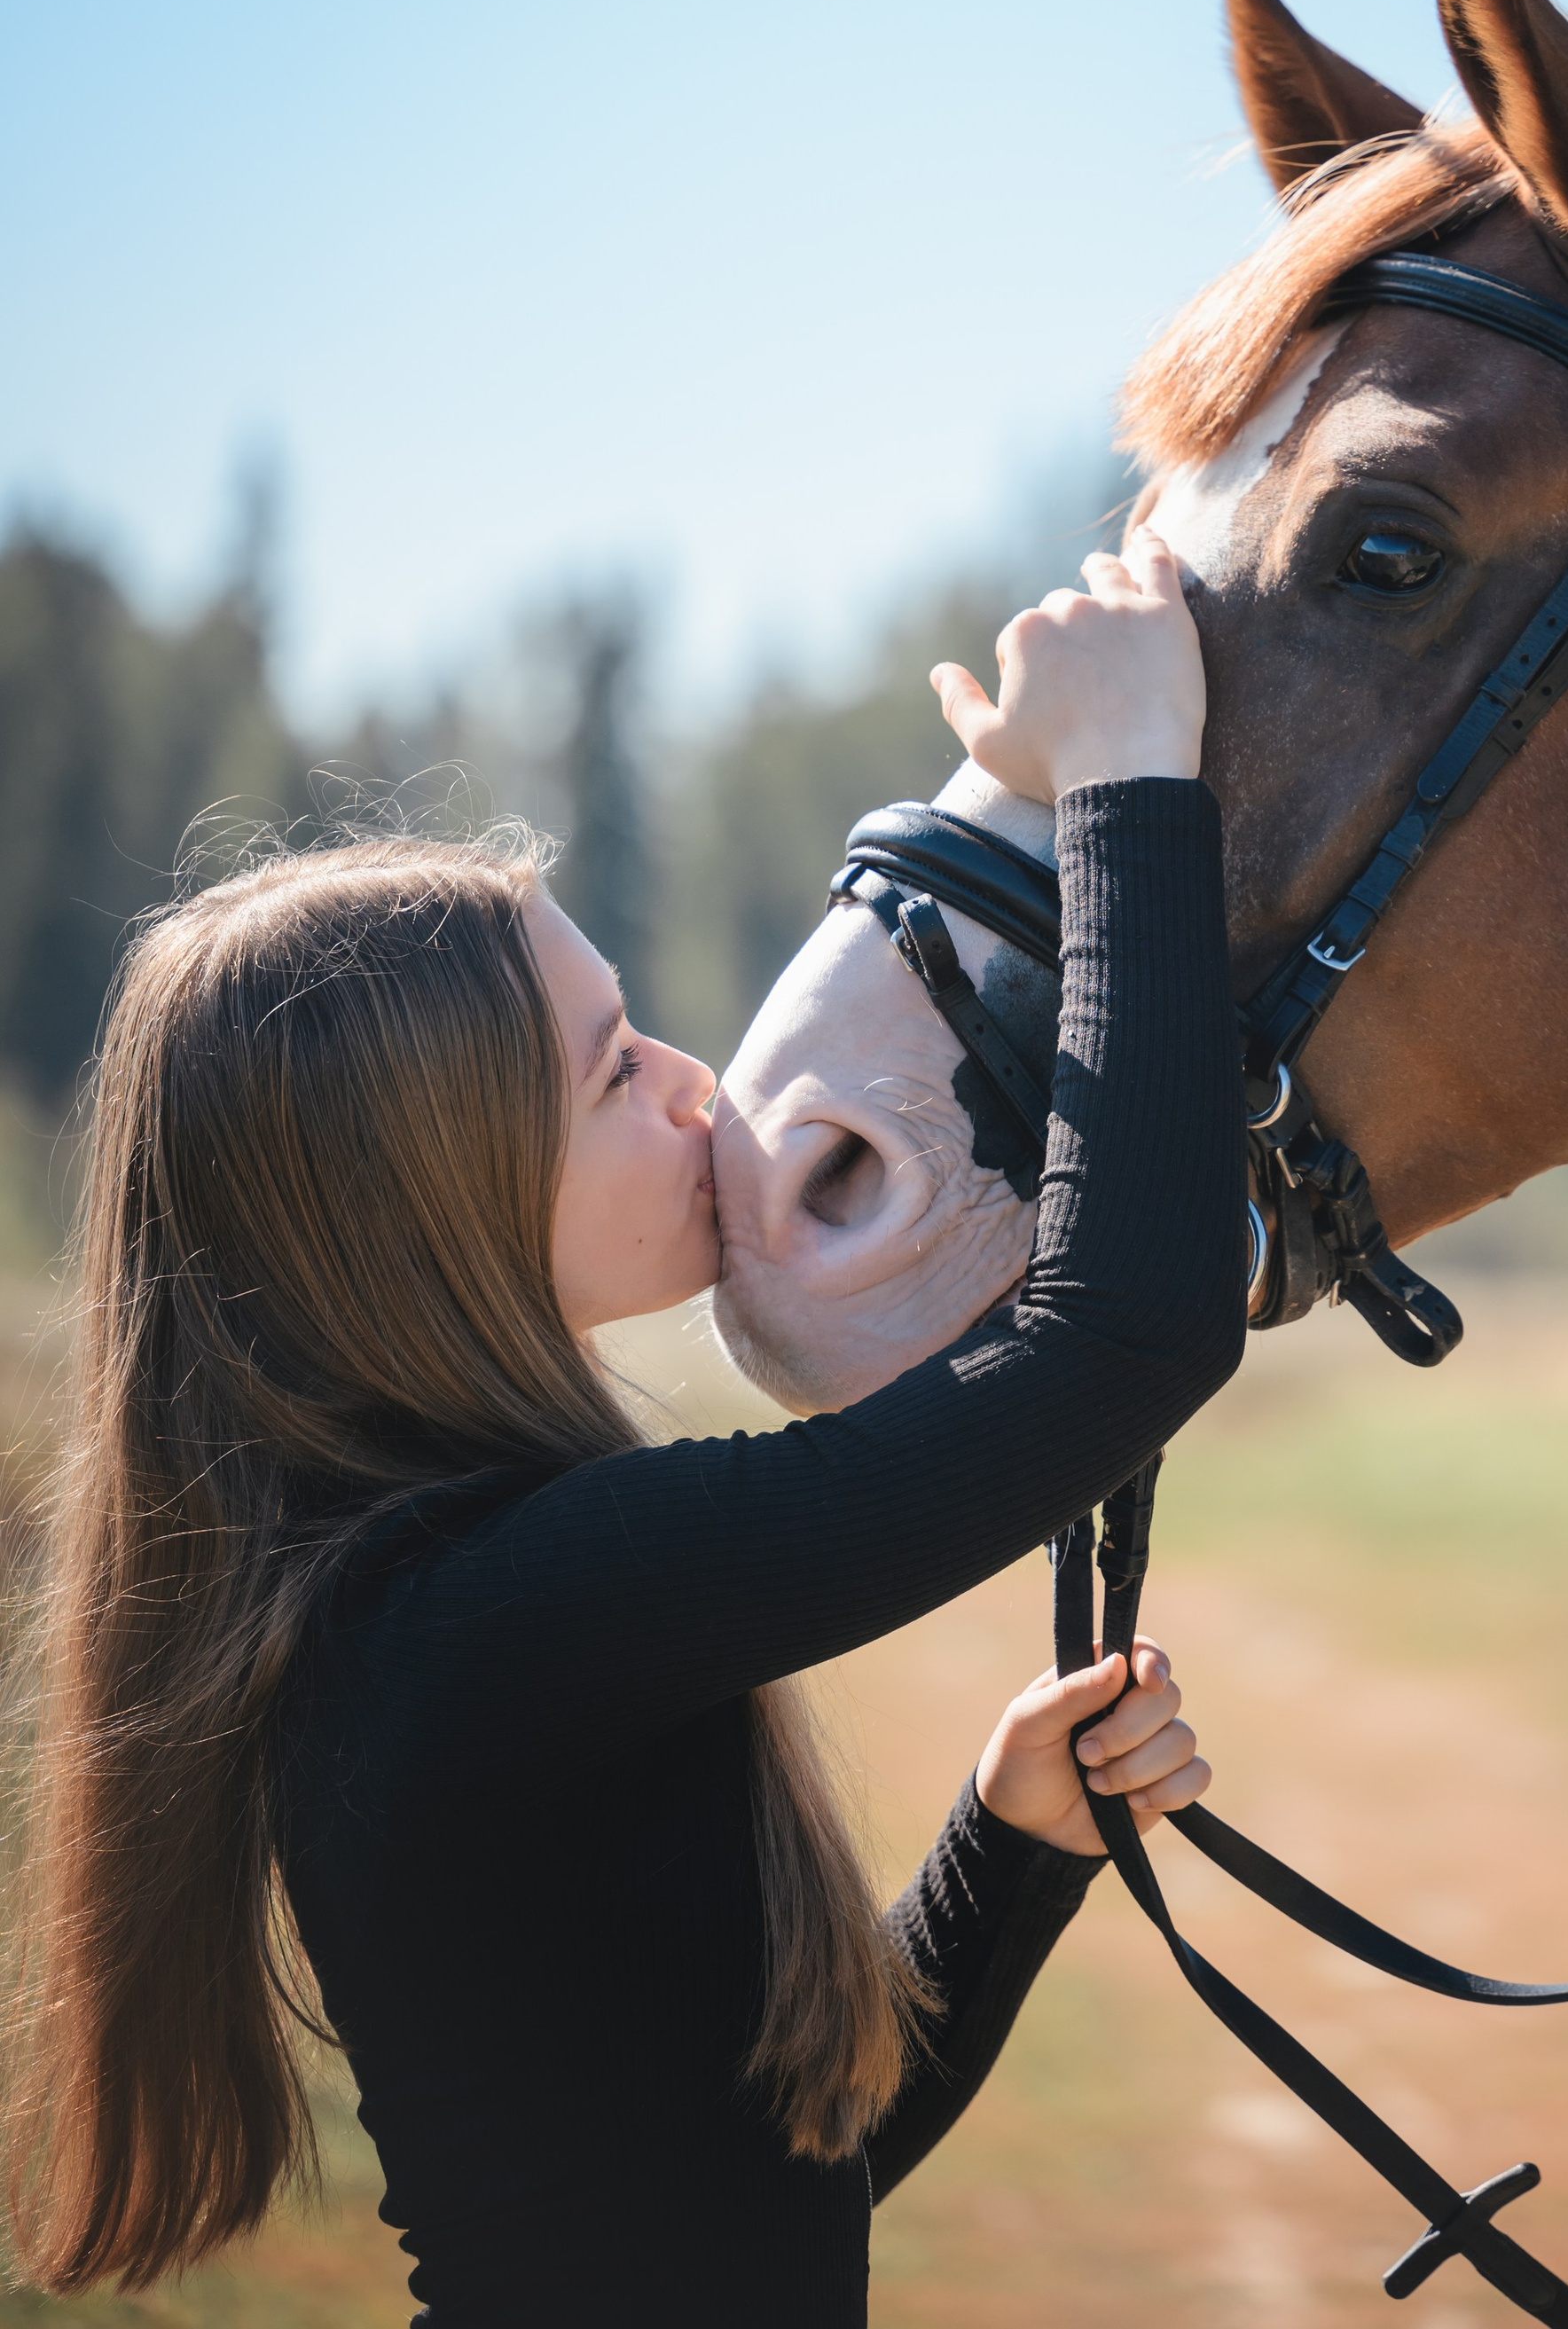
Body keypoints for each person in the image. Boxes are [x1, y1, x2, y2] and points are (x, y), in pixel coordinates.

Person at [5, 526, 1245, 2325]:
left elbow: (751, 2179)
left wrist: (1003, 1832)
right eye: (609, 1068)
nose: (693, 1086)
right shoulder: (493, 1607)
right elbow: (1124, 1332)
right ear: (426, 1198)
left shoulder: (447, 1594)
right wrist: (1129, 777)